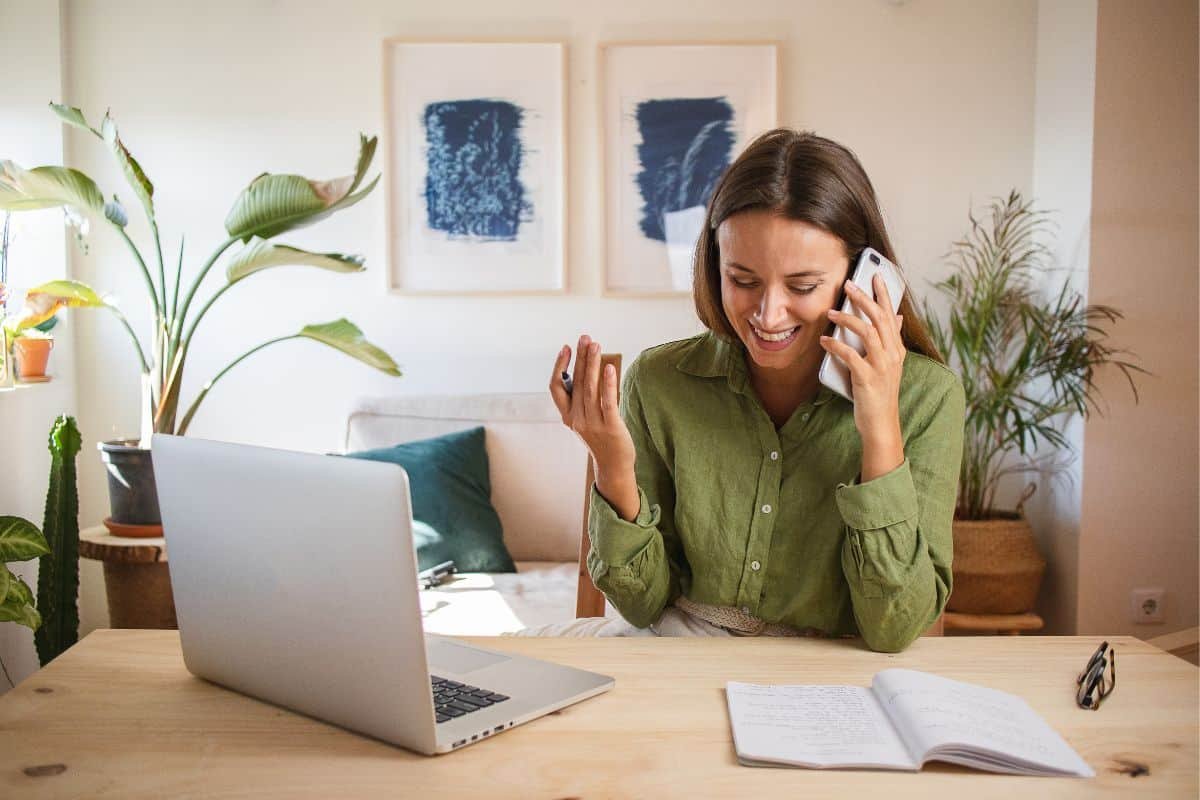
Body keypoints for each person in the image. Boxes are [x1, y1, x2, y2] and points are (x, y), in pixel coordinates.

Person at [540, 129, 964, 652]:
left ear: (863, 277)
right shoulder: (660, 381)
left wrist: (879, 427)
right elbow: (644, 605)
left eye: (802, 287)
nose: (768, 315)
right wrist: (612, 466)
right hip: (683, 659)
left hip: (832, 683)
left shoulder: (928, 397)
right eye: (743, 280)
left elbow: (894, 627)